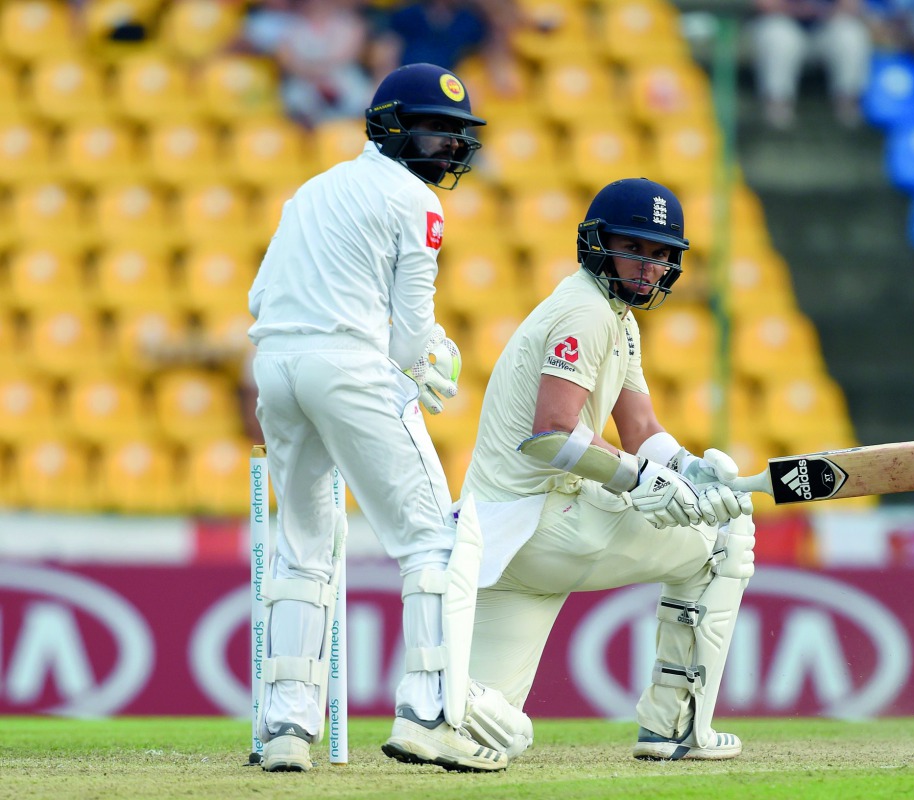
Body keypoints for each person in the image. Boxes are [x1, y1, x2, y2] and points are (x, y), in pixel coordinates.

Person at [247, 62, 526, 773]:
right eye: (435, 130)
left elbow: (258, 295)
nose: (449, 148)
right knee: (435, 538)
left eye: (457, 135)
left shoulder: (313, 190)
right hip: (350, 366)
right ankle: (429, 715)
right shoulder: (416, 202)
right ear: (391, 125)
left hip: (276, 366)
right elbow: (408, 337)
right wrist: (429, 360)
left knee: (305, 544)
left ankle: (284, 730)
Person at [455, 177, 757, 762]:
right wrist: (642, 479)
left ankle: (436, 721)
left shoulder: (615, 317)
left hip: (499, 542)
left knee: (477, 729)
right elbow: (551, 435)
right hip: (548, 518)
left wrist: (691, 471)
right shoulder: (587, 313)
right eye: (636, 249)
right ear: (597, 243)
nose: (650, 267)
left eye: (662, 255)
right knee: (724, 537)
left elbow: (641, 431)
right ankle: (676, 726)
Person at [747, 0, 875, 130]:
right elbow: (764, 5)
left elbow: (852, 6)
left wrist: (823, 11)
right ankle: (776, 105)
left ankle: (848, 104)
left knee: (850, 33)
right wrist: (800, 9)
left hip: (826, 24)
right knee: (778, 35)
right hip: (783, 21)